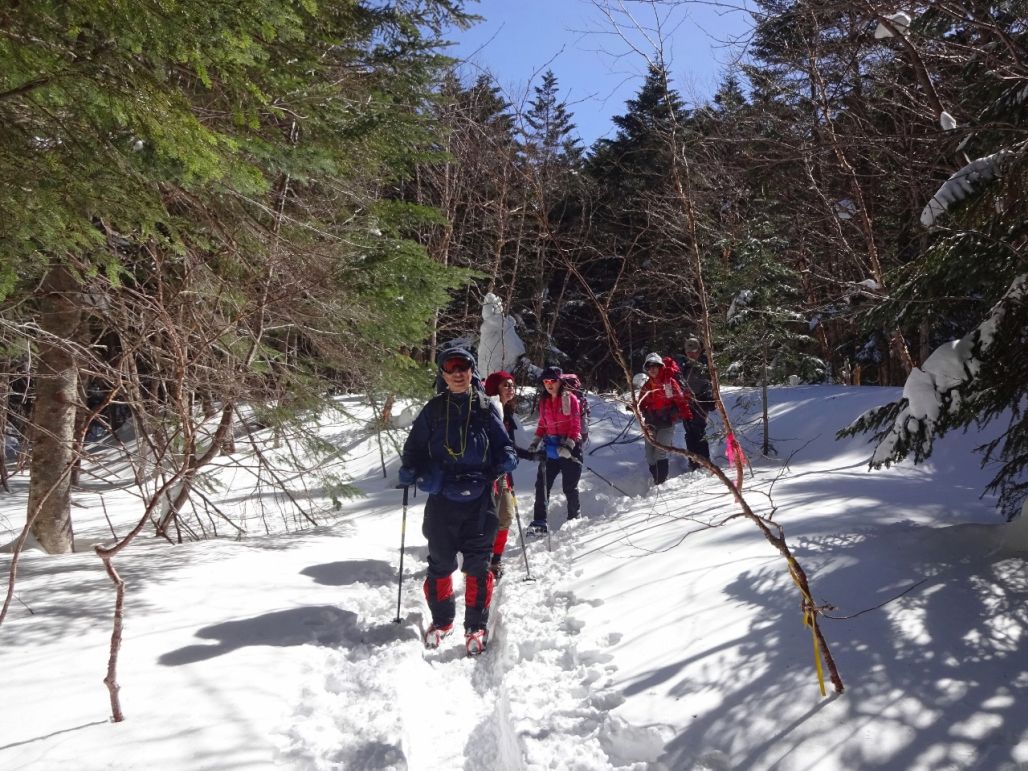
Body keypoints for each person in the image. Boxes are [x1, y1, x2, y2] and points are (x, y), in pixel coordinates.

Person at [399, 348, 517, 656]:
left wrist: (506, 459)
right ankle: (442, 622)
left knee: (478, 566)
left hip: (480, 499)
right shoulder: (434, 410)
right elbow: (414, 447)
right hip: (442, 500)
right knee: (440, 564)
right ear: (442, 373)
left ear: (471, 370)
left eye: (462, 366)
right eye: (450, 367)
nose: (457, 372)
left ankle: (475, 626)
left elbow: (504, 444)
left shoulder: (483, 407)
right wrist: (410, 469)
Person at [482, 370, 535, 580]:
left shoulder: (508, 414)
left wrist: (530, 455)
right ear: (496, 388)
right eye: (506, 385)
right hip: (486, 475)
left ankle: (495, 559)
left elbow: (510, 446)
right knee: (486, 520)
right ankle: (481, 561)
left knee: (505, 516)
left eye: (512, 384)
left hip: (503, 474)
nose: (511, 388)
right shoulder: (486, 410)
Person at [528, 366, 582, 533]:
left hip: (569, 447)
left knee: (569, 486)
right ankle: (539, 521)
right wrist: (535, 441)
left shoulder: (569, 398)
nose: (549, 384)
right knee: (542, 485)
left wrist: (569, 445)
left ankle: (574, 518)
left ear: (560, 381)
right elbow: (543, 424)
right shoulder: (544, 401)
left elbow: (575, 424)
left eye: (552, 381)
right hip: (550, 448)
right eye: (545, 381)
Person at [637, 353, 692, 485]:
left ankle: (660, 483)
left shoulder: (669, 382)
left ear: (660, 366)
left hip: (666, 423)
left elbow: (681, 401)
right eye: (649, 367)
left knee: (660, 453)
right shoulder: (647, 385)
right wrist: (639, 409)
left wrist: (686, 416)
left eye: (655, 366)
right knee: (650, 457)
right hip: (651, 424)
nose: (652, 369)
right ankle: (657, 478)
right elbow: (640, 403)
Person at [675, 337, 715, 470]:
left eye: (694, 350)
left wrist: (711, 398)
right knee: (689, 432)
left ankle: (705, 461)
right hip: (686, 401)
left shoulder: (705, 363)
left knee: (699, 430)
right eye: (689, 351)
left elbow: (712, 382)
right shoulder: (681, 364)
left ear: (699, 350)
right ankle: (693, 462)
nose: (691, 353)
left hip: (702, 400)